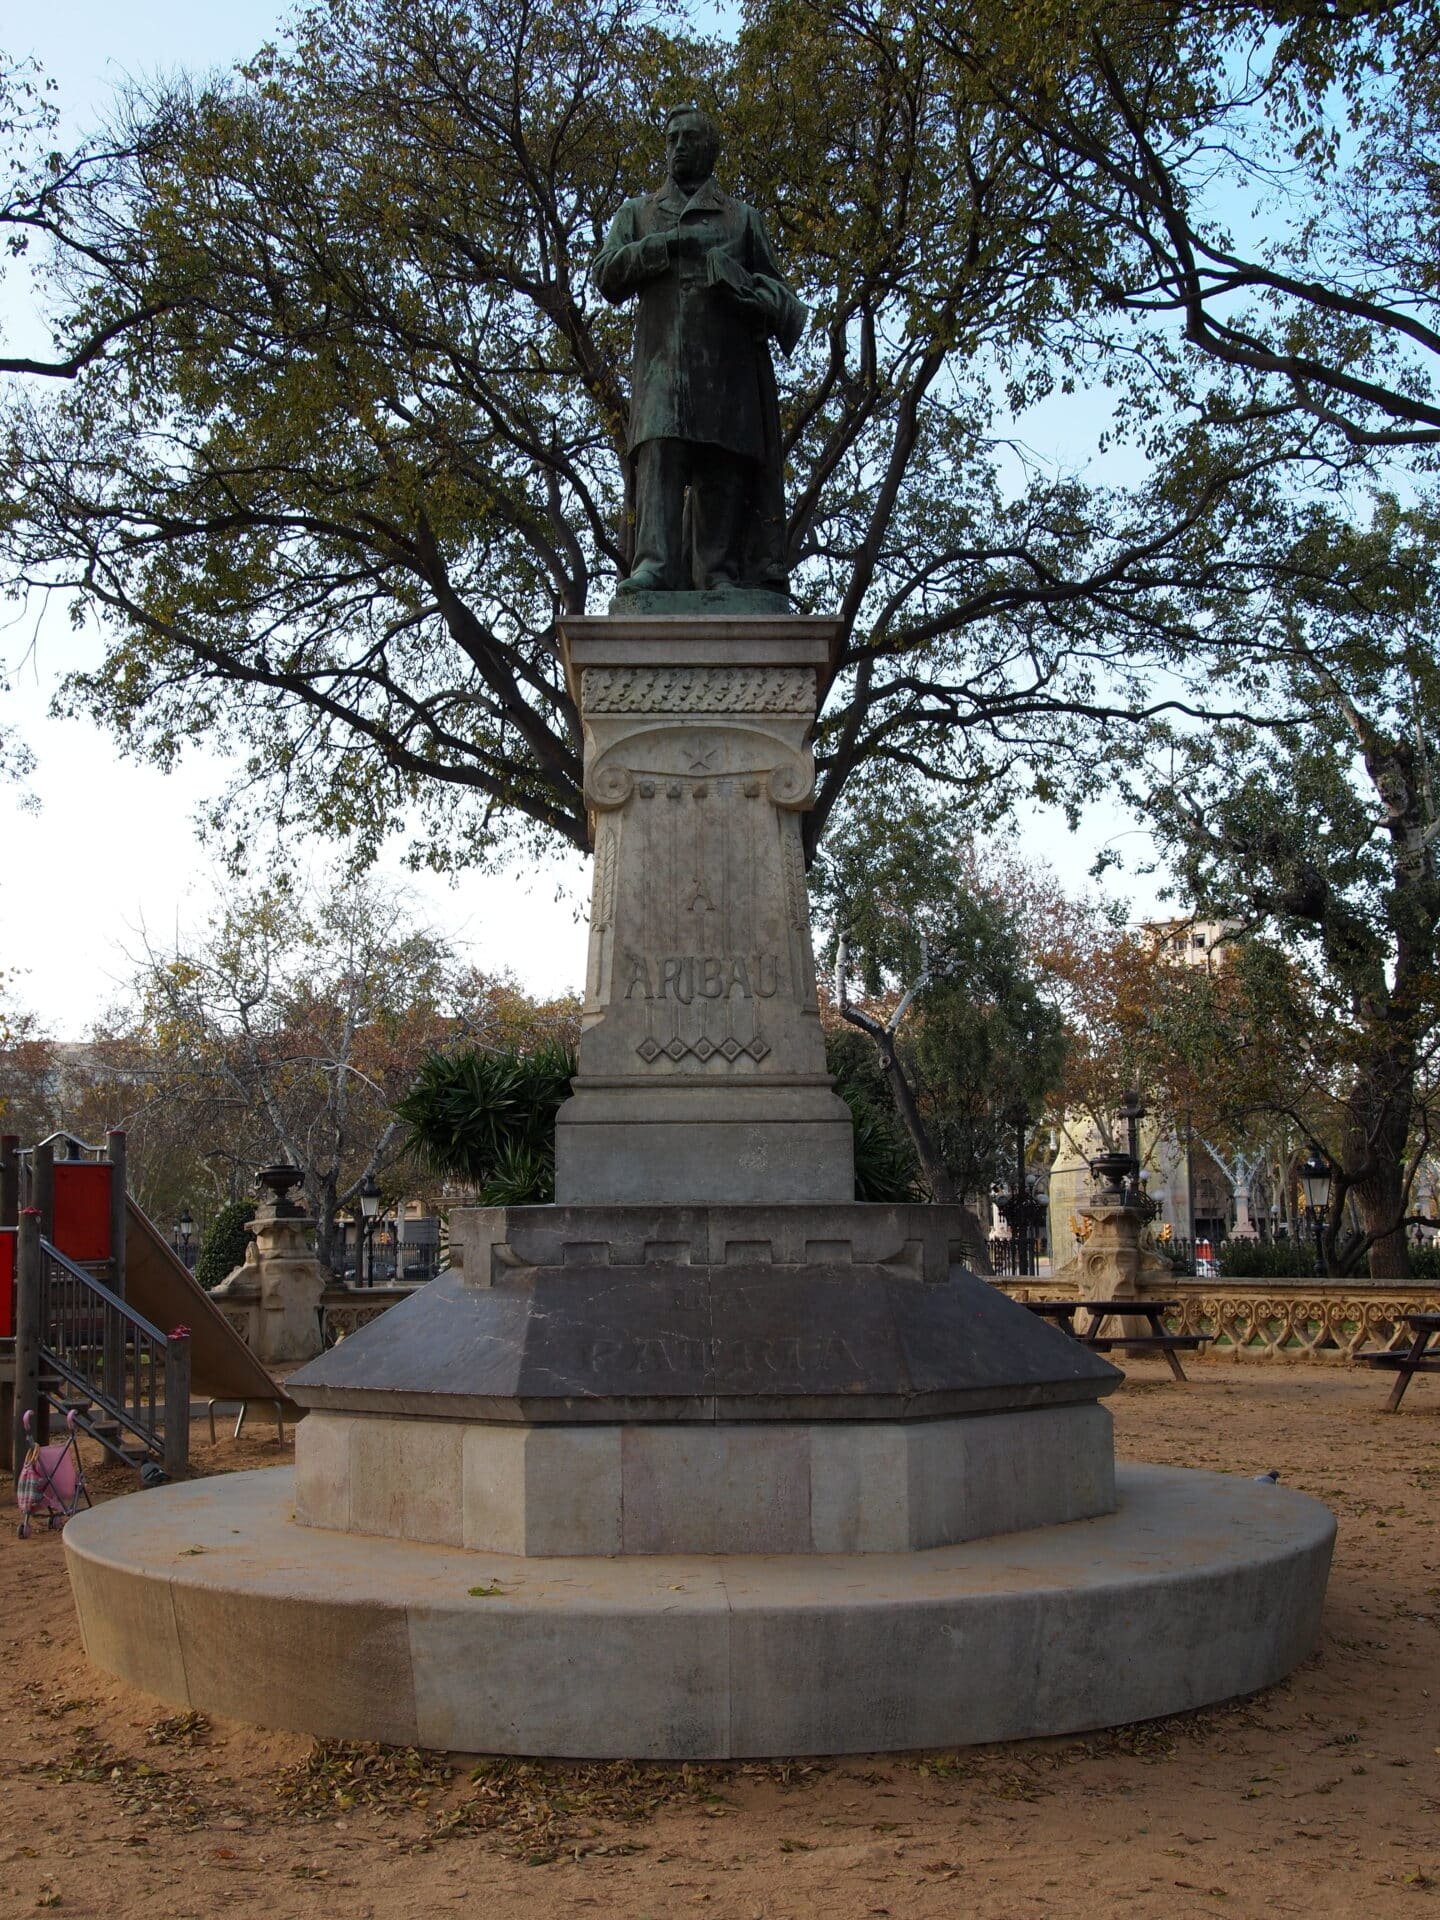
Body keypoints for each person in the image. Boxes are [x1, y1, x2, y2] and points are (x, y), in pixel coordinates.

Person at [593, 106, 806, 596]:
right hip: (662, 370)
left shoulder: (742, 219)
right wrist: (666, 245)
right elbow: (606, 275)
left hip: (727, 373)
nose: (679, 147)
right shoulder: (639, 213)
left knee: (721, 463)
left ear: (710, 149)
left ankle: (718, 572)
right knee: (660, 457)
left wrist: (748, 292)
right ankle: (654, 565)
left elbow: (781, 297)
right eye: (672, 139)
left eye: (689, 138)